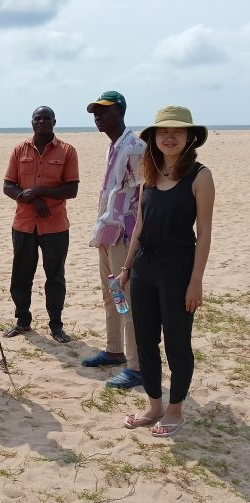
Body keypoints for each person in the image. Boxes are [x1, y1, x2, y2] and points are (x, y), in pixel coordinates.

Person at [121, 106, 214, 437]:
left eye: (177, 131)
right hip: (145, 267)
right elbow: (139, 227)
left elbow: (204, 232)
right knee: (145, 340)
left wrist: (196, 282)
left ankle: (176, 410)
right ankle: (154, 405)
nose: (170, 137)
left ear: (189, 137)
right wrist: (127, 267)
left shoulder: (200, 176)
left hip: (178, 270)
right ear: (154, 138)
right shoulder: (149, 176)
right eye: (163, 132)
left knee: (177, 343)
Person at [83, 91, 146, 389]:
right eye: (96, 112)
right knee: (112, 295)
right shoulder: (115, 146)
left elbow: (145, 193)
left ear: (121, 111)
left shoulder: (135, 147)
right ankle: (114, 350)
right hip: (108, 232)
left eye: (104, 111)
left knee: (129, 300)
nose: (98, 116)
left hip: (126, 234)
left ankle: (137, 366)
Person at [3, 106, 79, 343]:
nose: (42, 121)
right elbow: (8, 186)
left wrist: (39, 191)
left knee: (55, 277)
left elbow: (72, 189)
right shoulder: (19, 150)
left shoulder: (67, 151)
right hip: (24, 224)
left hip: (55, 226)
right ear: (32, 122)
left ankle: (56, 325)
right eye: (38, 118)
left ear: (54, 121)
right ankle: (22, 320)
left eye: (47, 118)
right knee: (21, 275)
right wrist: (33, 200)